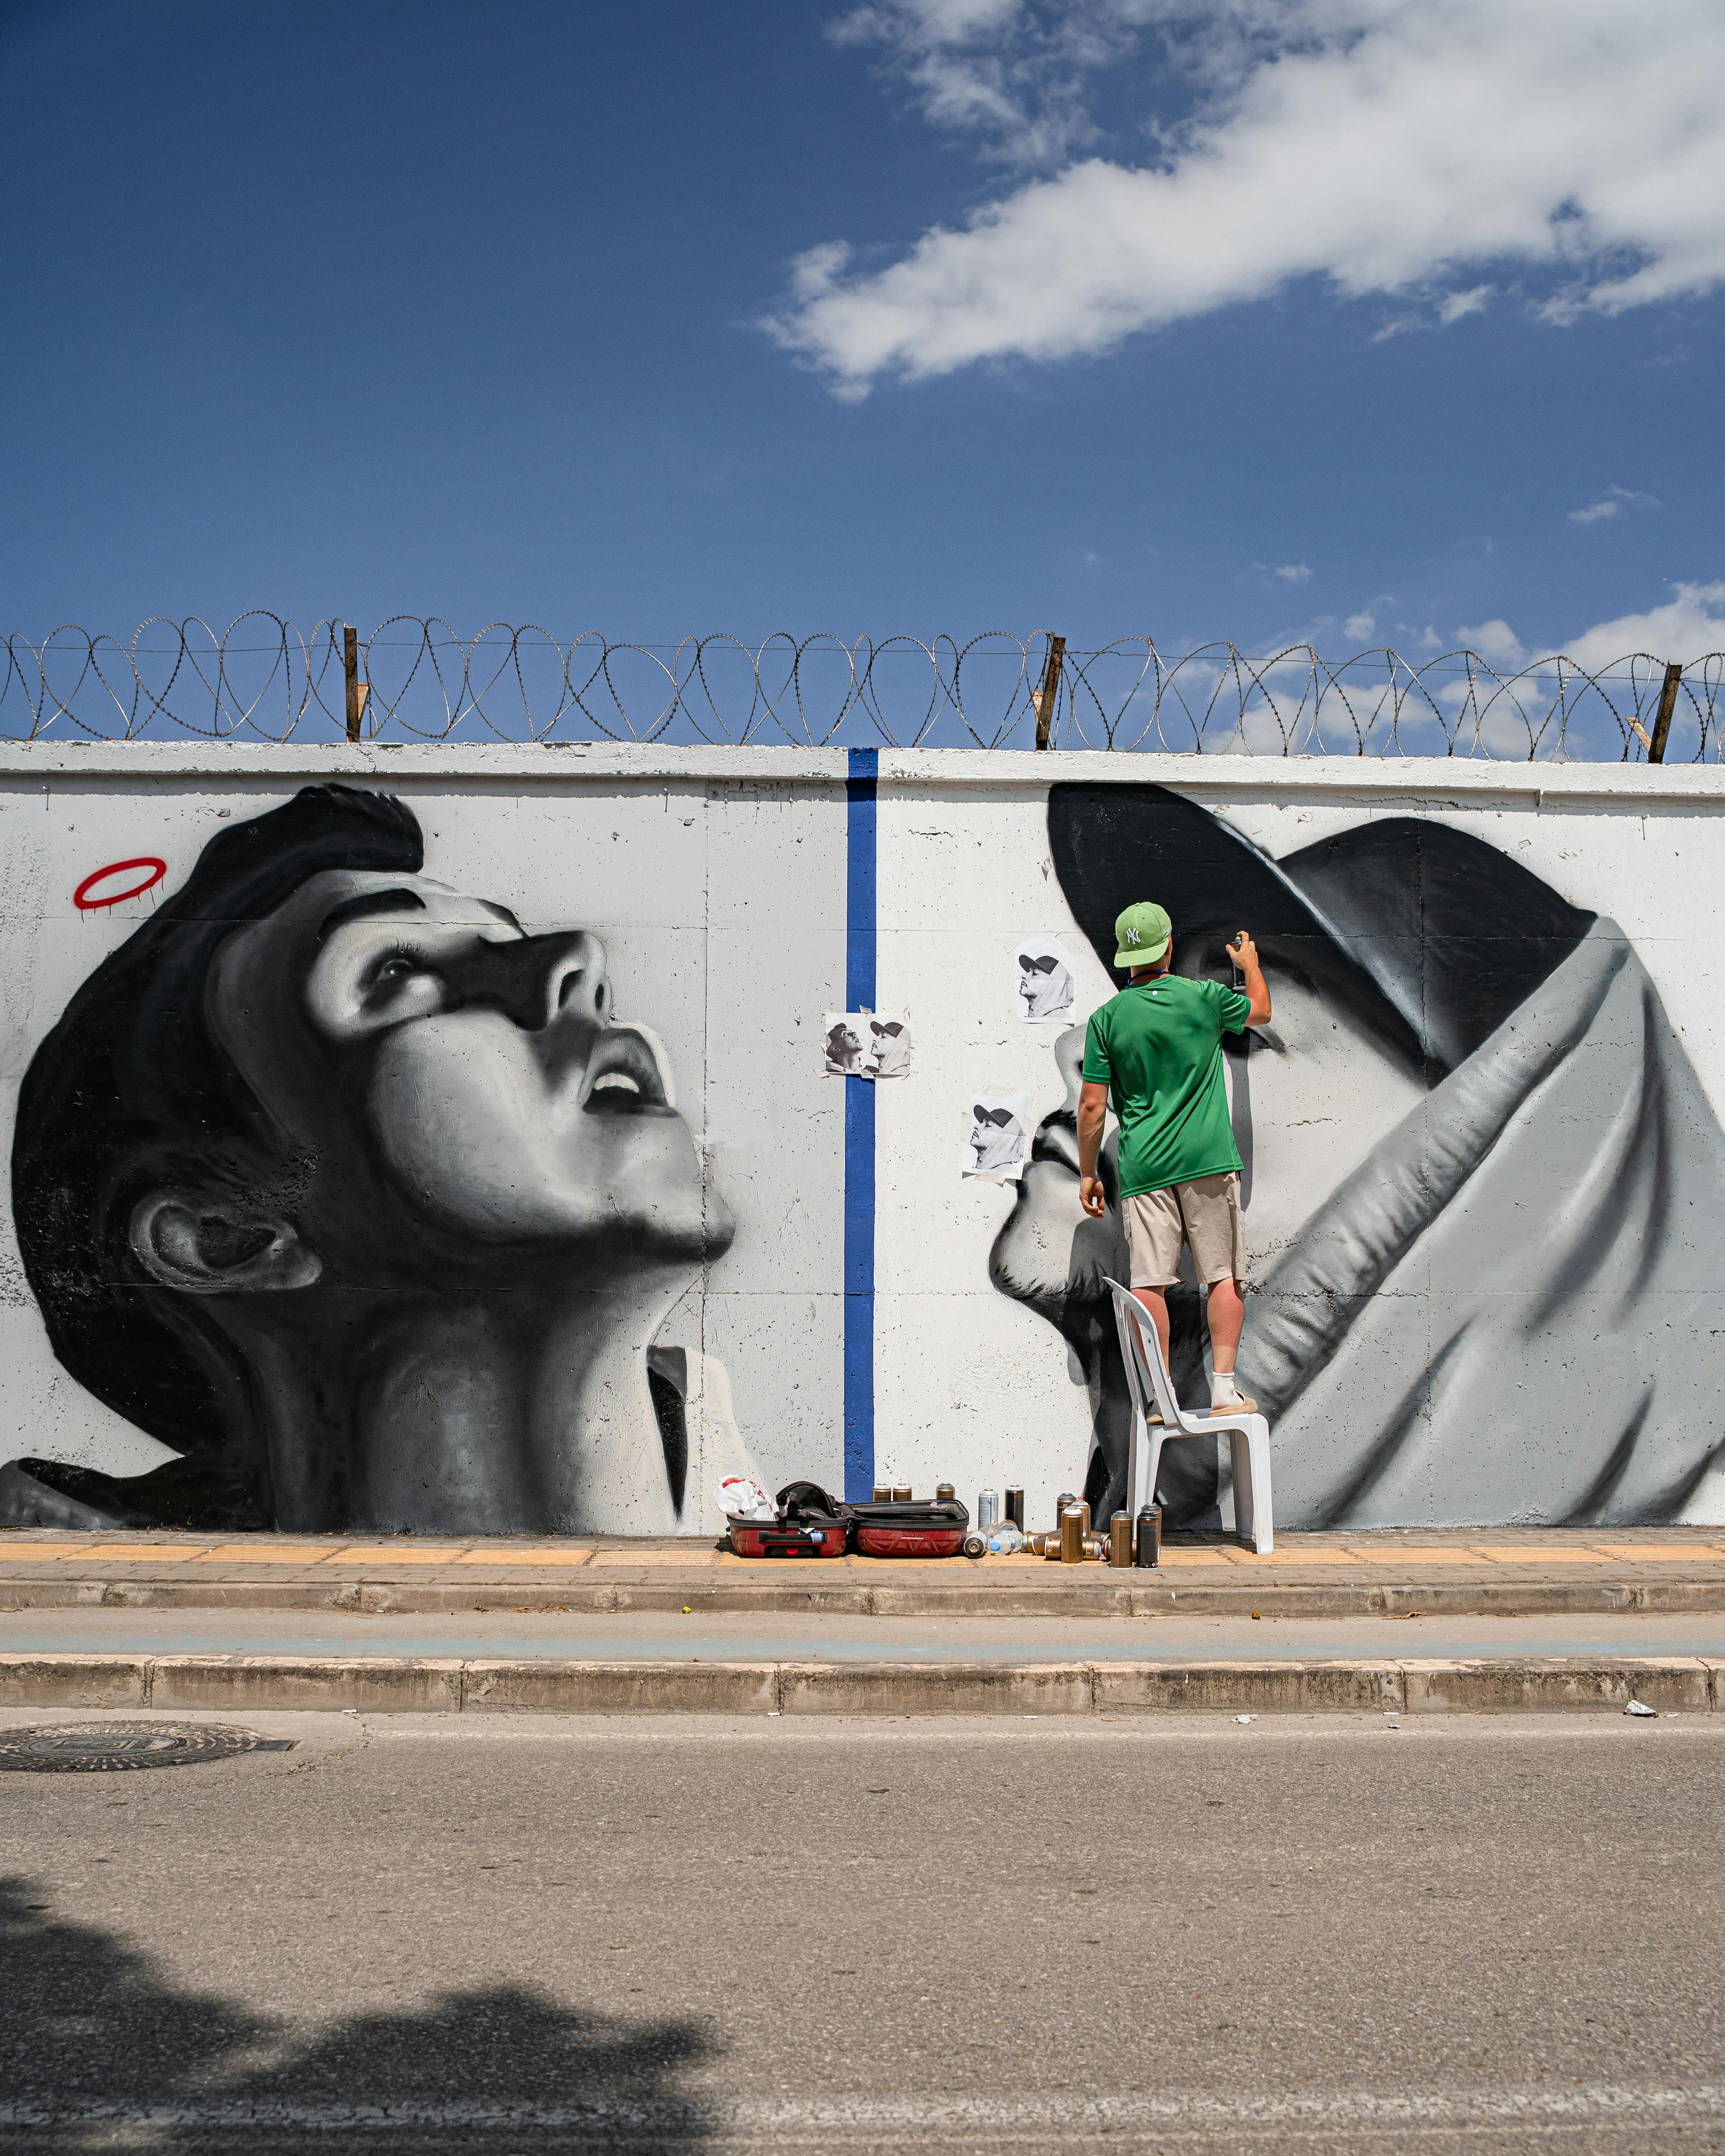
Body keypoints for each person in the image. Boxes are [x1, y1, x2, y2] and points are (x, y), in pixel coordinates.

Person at [1, 783, 749, 1536]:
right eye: (395, 970)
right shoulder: (96, 1617)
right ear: (224, 1238)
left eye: (505, 937)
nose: (578, 961)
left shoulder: (774, 1531)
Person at [1076, 899, 1270, 1417]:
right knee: (1222, 1276)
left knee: (1149, 1283)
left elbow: (1093, 1105)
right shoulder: (1203, 998)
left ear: (1125, 957)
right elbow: (1259, 1012)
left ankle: (1159, 1396)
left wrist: (1090, 1172)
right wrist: (1249, 965)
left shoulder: (1106, 1020)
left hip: (1145, 1168)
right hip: (1207, 1159)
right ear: (1167, 947)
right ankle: (1225, 1390)